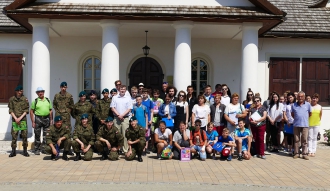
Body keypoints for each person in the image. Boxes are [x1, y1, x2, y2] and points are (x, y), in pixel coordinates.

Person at [30, 87, 53, 155]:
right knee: (37, 134)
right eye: (39, 92)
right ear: (37, 93)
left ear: (44, 92)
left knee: (46, 135)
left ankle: (44, 148)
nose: (40, 93)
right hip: (38, 119)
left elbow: (50, 111)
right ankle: (37, 149)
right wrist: (33, 122)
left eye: (42, 92)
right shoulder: (35, 101)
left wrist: (51, 120)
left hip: (47, 119)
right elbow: (31, 112)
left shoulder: (48, 100)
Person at [8, 85, 30, 157]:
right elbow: (10, 110)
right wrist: (15, 118)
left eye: (21, 91)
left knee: (24, 135)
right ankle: (13, 151)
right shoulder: (12, 99)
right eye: (18, 91)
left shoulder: (25, 99)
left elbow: (26, 110)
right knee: (14, 135)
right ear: (16, 91)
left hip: (22, 120)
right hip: (15, 120)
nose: (19, 92)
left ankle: (25, 151)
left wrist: (19, 118)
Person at [111, 85, 132, 154]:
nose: (122, 90)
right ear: (119, 90)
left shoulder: (128, 98)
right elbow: (112, 108)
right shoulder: (115, 97)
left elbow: (129, 108)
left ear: (125, 90)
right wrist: (118, 115)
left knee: (125, 134)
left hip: (125, 118)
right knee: (117, 134)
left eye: (124, 89)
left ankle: (125, 150)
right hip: (116, 118)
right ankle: (117, 149)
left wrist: (122, 115)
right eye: (121, 89)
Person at [291, 91, 312, 160]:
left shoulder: (308, 104)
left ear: (304, 97)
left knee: (304, 140)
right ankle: (296, 153)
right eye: (299, 96)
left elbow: (310, 114)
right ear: (297, 97)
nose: (300, 98)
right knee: (296, 140)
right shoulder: (294, 105)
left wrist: (303, 119)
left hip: (305, 125)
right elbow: (292, 114)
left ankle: (304, 154)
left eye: (301, 96)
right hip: (296, 125)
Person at [249, 95, 267, 159]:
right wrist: (252, 121)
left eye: (258, 101)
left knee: (261, 139)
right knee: (255, 138)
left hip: (261, 125)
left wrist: (257, 120)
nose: (256, 102)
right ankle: (257, 152)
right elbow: (250, 117)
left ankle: (262, 153)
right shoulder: (252, 109)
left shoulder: (263, 108)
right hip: (253, 126)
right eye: (255, 101)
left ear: (260, 101)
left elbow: (264, 116)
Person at [142, 88, 154, 153]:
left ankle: (146, 148)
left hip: (148, 119)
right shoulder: (140, 101)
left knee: (147, 135)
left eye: (145, 93)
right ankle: (142, 147)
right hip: (142, 120)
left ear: (147, 94)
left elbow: (152, 111)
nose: (144, 94)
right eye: (143, 93)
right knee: (142, 134)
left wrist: (151, 120)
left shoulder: (150, 101)